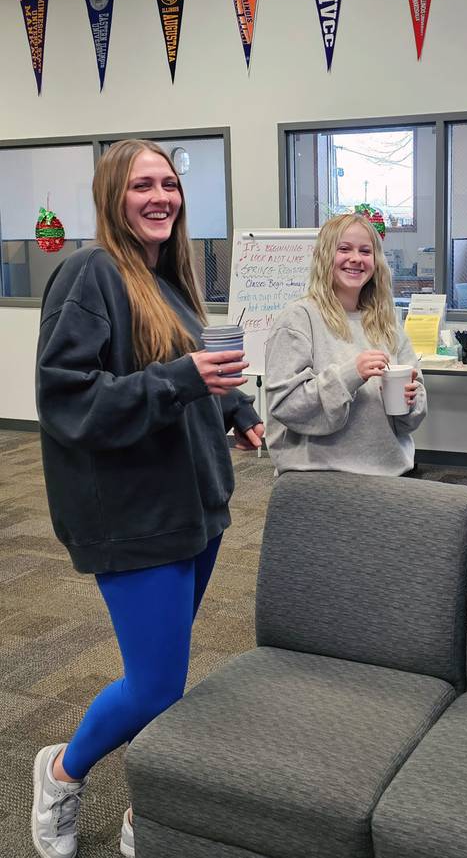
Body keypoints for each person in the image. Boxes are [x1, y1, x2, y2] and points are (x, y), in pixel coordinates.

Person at [32, 139, 265, 858]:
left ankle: (146, 806)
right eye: (142, 185)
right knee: (156, 685)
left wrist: (238, 411)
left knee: (162, 673)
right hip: (132, 515)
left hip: (193, 507)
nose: (161, 196)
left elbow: (182, 368)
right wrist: (186, 382)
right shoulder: (89, 273)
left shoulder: (167, 278)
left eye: (169, 183)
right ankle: (61, 772)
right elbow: (67, 398)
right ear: (113, 196)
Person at [264, 213, 426, 475]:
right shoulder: (298, 319)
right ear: (325, 255)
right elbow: (285, 406)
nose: (355, 258)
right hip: (321, 478)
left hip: (390, 473)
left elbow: (414, 410)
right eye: (344, 249)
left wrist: (410, 401)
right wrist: (351, 374)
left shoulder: (387, 322)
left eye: (365, 251)